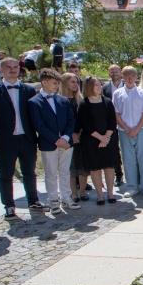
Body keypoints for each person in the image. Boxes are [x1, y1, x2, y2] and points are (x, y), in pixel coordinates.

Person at [29, 69, 76, 215]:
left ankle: (66, 197)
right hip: (49, 143)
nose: (57, 86)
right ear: (44, 82)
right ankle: (53, 200)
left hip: (66, 142)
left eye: (58, 83)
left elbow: (71, 120)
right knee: (50, 173)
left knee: (64, 171)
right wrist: (56, 140)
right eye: (54, 83)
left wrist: (66, 138)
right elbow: (39, 125)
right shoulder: (34, 102)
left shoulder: (63, 100)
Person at [76, 77, 120, 205]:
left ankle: (110, 194)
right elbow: (86, 125)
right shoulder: (84, 104)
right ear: (89, 87)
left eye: (100, 84)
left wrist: (106, 137)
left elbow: (112, 121)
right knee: (95, 168)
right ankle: (100, 195)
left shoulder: (107, 102)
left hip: (108, 139)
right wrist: (101, 138)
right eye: (96, 85)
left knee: (109, 167)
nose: (99, 87)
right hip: (91, 141)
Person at [113, 66, 143, 197]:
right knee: (128, 159)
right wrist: (126, 128)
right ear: (123, 77)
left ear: (136, 77)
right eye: (127, 75)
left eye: (132, 75)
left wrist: (136, 129)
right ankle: (132, 186)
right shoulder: (117, 94)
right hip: (124, 131)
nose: (130, 78)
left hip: (141, 129)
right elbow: (116, 114)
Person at [61, 72, 87, 208]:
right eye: (72, 82)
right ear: (65, 83)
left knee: (83, 165)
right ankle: (73, 193)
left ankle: (82, 191)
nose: (75, 84)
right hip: (67, 138)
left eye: (76, 82)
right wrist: (70, 135)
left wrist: (79, 133)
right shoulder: (60, 100)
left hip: (82, 137)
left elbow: (85, 119)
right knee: (70, 167)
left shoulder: (81, 100)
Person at [101, 64, 125, 187]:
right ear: (108, 73)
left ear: (121, 72)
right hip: (111, 124)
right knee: (114, 150)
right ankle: (119, 175)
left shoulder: (128, 85)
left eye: (116, 71)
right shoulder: (104, 88)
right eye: (112, 71)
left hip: (127, 123)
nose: (114, 73)